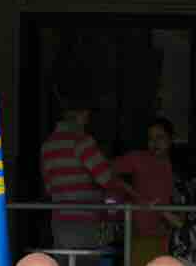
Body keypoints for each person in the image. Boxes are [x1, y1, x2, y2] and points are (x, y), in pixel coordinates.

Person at [40, 101, 130, 254]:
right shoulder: (82, 141)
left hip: (59, 221)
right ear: (80, 115)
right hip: (86, 221)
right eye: (87, 115)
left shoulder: (47, 146)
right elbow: (106, 179)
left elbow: (49, 188)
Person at [111, 117, 177, 266]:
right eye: (150, 139)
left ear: (171, 139)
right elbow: (107, 172)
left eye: (160, 138)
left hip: (172, 239)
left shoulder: (178, 165)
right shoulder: (138, 159)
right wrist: (132, 195)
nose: (154, 143)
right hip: (141, 237)